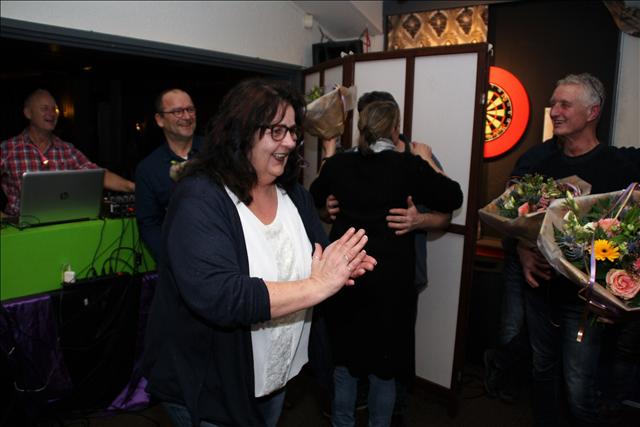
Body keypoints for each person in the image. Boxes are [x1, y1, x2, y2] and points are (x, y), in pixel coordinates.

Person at [142, 78, 377, 427]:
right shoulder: (200, 197)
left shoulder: (293, 195)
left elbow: (317, 253)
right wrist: (319, 285)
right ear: (242, 133)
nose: (291, 141)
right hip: (212, 384)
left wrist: (340, 264)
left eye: (293, 131)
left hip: (275, 375)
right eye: (277, 131)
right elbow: (222, 295)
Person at [310, 100, 463, 427]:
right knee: (385, 368)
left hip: (348, 278)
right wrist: (426, 158)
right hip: (391, 284)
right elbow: (453, 197)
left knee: (344, 363)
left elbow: (314, 195)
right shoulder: (407, 165)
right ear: (395, 129)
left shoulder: (340, 165)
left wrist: (330, 193)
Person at [513, 73, 639, 427]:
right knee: (541, 373)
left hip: (584, 304)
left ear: (592, 112)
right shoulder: (539, 163)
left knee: (579, 391)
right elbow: (519, 219)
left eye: (565, 104)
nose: (554, 111)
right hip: (539, 292)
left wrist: (623, 297)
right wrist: (522, 248)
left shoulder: (620, 166)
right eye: (553, 103)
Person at [0, 89, 135, 216]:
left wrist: (132, 187)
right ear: (28, 113)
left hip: (61, 224)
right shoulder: (8, 149)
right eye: (44, 108)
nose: (52, 114)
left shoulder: (67, 150)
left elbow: (98, 176)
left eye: (55, 109)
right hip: (18, 227)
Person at [135, 88, 204, 261]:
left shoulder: (216, 153)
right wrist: (172, 260)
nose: (187, 116)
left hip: (223, 254)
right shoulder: (148, 169)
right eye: (177, 111)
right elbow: (149, 225)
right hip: (178, 260)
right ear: (160, 120)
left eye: (190, 109)